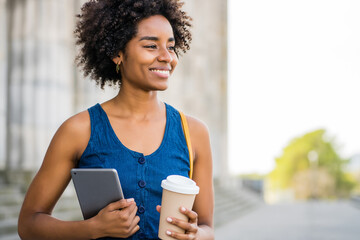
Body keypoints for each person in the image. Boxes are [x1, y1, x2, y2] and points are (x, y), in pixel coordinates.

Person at [18, 0, 214, 239]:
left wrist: (195, 235)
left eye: (171, 47)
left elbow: (207, 227)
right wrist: (92, 229)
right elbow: (29, 224)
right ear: (117, 53)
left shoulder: (194, 132)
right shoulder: (79, 130)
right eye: (151, 46)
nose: (166, 57)